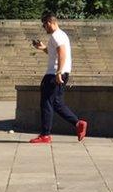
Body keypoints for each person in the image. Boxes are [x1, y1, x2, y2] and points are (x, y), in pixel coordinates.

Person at [29, 13, 87, 144]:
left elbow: (62, 52)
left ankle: (45, 135)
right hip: (63, 72)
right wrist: (43, 48)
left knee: (46, 103)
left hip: (54, 74)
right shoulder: (61, 35)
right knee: (57, 103)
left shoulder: (56, 36)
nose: (44, 28)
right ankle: (78, 123)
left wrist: (58, 72)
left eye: (44, 25)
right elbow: (55, 53)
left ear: (49, 22)